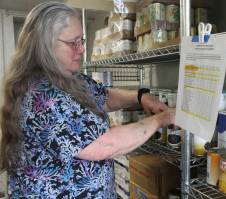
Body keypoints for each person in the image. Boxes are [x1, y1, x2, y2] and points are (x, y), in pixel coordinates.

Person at [0, 2, 175, 198]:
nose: (82, 49)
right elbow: (104, 145)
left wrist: (140, 96)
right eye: (73, 42)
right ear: (44, 46)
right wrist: (160, 120)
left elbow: (104, 97)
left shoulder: (68, 76)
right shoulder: (42, 95)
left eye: (81, 40)